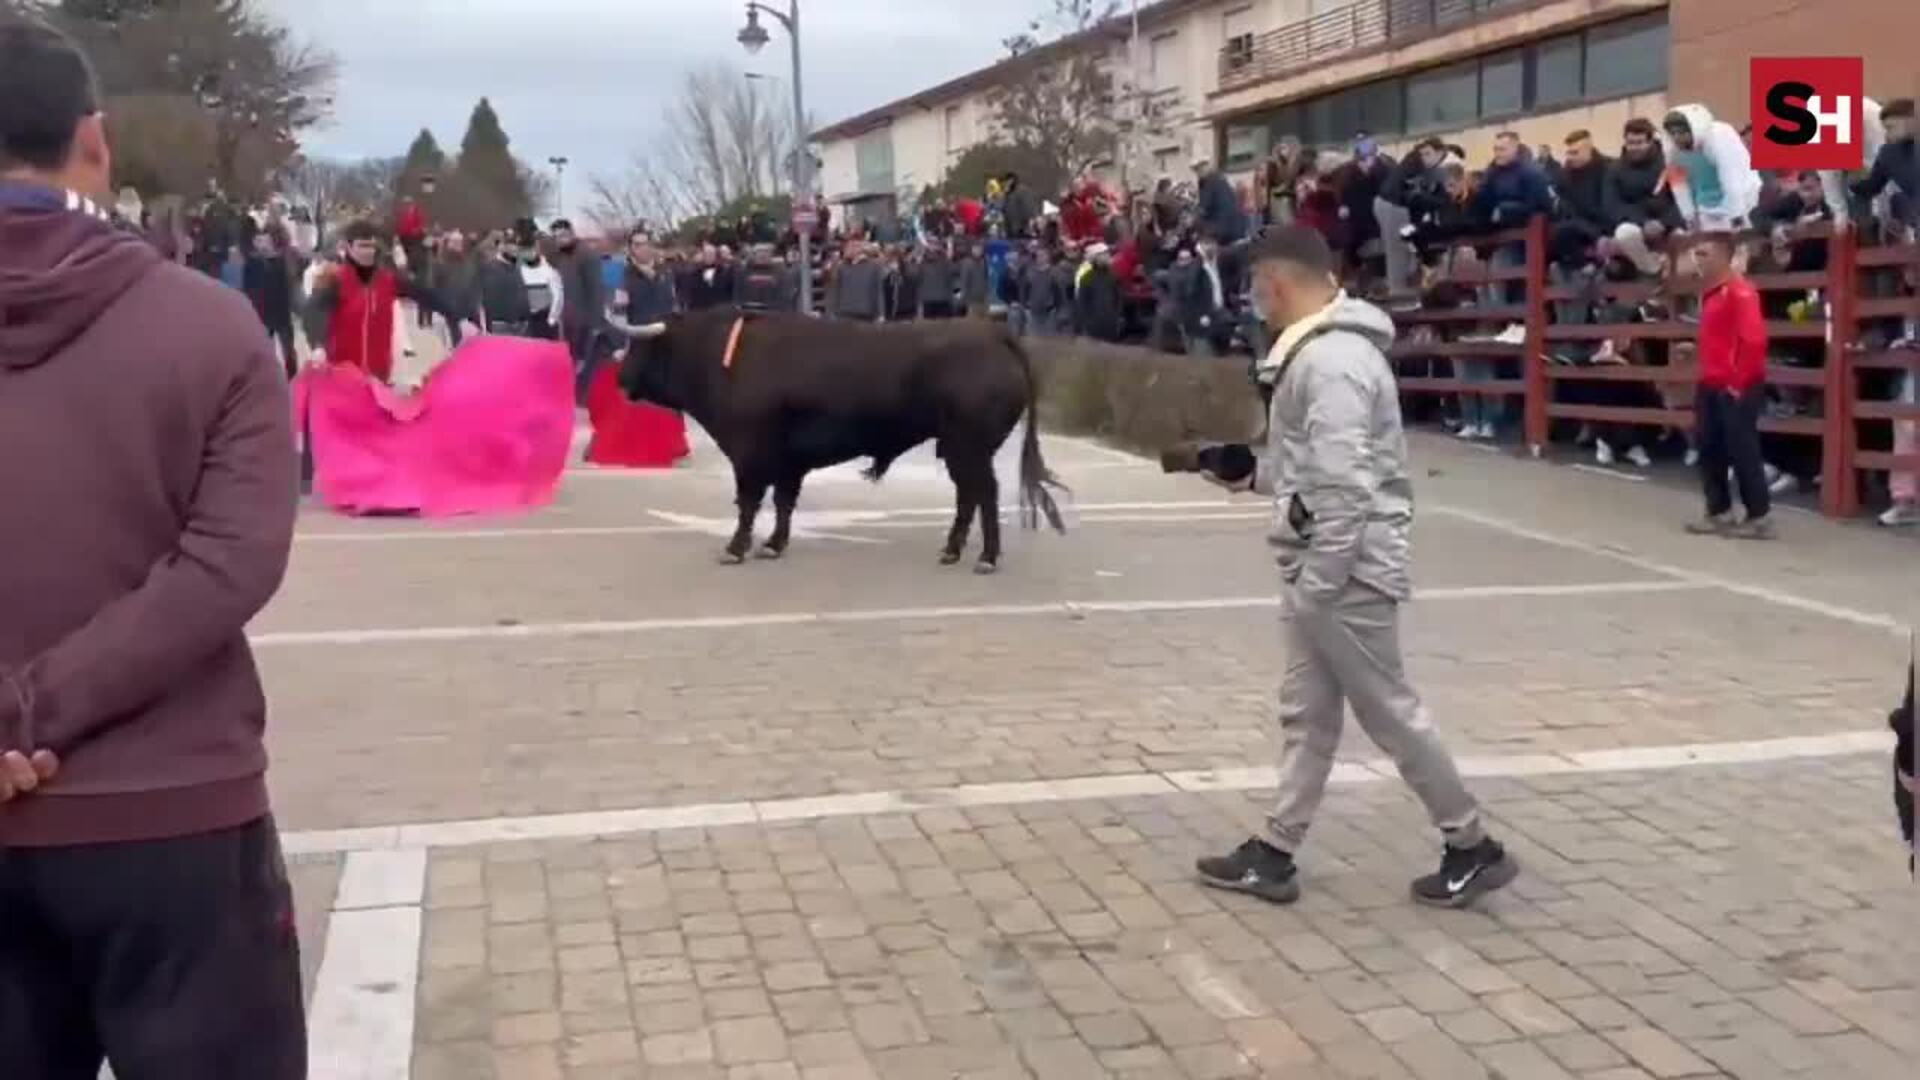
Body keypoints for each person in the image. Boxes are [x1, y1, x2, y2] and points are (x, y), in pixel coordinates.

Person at [0, 18, 305, 1075]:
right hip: (173, 816)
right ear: (94, 140)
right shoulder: (211, 327)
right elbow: (230, 562)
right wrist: (31, 714)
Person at [1193, 225, 1517, 909]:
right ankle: (1276, 850)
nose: (1253, 301)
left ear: (1276, 282)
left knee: (1388, 711)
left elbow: (1343, 488)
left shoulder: (1329, 362)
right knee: (1309, 715)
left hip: (1343, 571)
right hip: (1332, 565)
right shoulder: (1324, 354)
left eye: (1255, 287)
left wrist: (1318, 587)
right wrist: (1251, 474)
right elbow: (1318, 470)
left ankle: (1470, 843)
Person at [1684, 231, 1774, 539]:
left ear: (1724, 256)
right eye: (1697, 253)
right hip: (1711, 381)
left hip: (1736, 383)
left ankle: (1759, 516)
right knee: (1709, 446)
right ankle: (1719, 509)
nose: (1699, 259)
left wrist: (1738, 382)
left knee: (1742, 448)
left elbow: (1754, 340)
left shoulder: (1740, 291)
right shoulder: (1712, 293)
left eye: (1705, 253)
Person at [302, 219, 466, 382]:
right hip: (343, 372)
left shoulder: (387, 280)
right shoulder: (335, 280)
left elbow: (423, 294)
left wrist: (457, 314)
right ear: (349, 248)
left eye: (371, 246)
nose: (368, 252)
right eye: (362, 246)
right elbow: (314, 311)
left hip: (378, 374)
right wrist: (318, 344)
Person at [1661, 104, 1762, 232]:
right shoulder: (1671, 150)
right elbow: (1679, 185)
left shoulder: (1719, 137)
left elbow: (1731, 177)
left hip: (1744, 197)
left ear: (1694, 128)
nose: (1677, 138)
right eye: (1673, 133)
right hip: (1706, 203)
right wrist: (1689, 216)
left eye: (1682, 132)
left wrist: (1736, 213)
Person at [1603, 118, 1682, 277]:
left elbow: (1682, 198)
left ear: (1650, 142)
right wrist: (1643, 222)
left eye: (1639, 143)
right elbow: (1612, 205)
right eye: (1630, 143)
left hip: (1669, 221)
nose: (1634, 148)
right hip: (1637, 224)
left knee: (1684, 236)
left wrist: (1664, 223)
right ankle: (1653, 269)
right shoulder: (1615, 169)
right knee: (1624, 234)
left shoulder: (1670, 163)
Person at [550, 218, 606, 377]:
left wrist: (595, 323)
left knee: (583, 366)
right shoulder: (560, 256)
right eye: (556, 237)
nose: (560, 240)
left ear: (572, 233)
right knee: (569, 364)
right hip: (567, 320)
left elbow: (596, 290)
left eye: (563, 235)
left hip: (584, 323)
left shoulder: (587, 255)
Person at [243, 230, 298, 378]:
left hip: (281, 312)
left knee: (288, 350)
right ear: (255, 243)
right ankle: (266, 378)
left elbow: (288, 285)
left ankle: (293, 378)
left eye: (266, 241)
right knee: (263, 350)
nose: (263, 244)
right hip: (262, 312)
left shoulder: (281, 261)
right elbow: (248, 287)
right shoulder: (252, 263)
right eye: (259, 241)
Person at [1073, 242, 1124, 343]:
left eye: (1107, 254)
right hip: (1093, 326)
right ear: (1096, 258)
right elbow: (1082, 303)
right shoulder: (1086, 278)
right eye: (1104, 254)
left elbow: (1118, 298)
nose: (1107, 256)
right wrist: (1085, 323)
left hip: (1110, 324)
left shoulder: (1113, 276)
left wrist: (1116, 316)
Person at [827, 241, 886, 322]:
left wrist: (881, 314)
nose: (846, 250)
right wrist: (832, 311)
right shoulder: (841, 267)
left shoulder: (874, 267)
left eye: (850, 247)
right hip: (844, 313)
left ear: (859, 249)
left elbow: (878, 291)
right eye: (847, 247)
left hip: (866, 314)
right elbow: (836, 290)